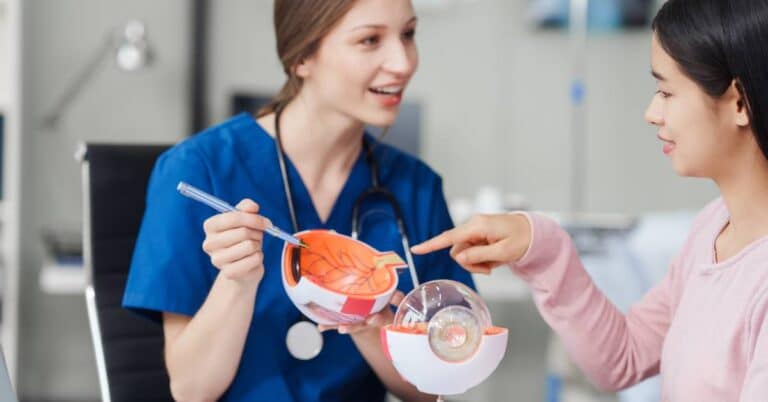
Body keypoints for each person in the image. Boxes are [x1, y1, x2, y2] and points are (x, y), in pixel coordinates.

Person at [412, 0, 768, 400]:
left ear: (739, 102)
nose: (652, 113)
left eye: (667, 92)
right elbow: (625, 357)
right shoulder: (713, 228)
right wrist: (538, 245)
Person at [122, 1, 473, 401]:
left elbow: (432, 392)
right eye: (370, 39)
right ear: (303, 56)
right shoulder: (198, 170)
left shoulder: (416, 187)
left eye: (408, 34)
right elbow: (191, 390)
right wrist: (237, 282)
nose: (403, 62)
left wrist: (373, 326)